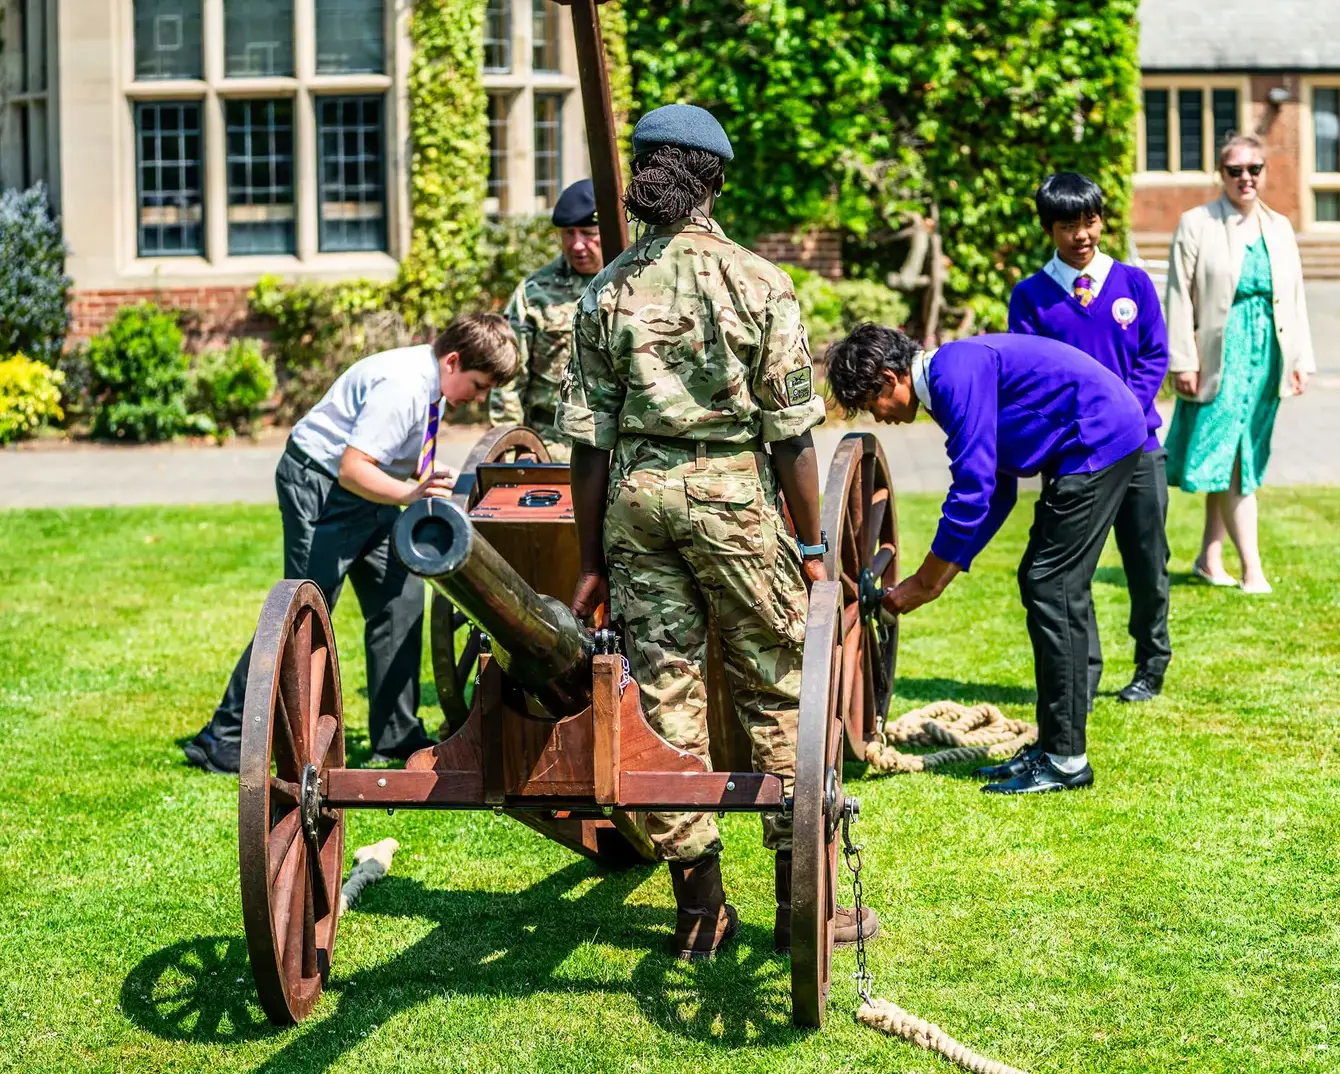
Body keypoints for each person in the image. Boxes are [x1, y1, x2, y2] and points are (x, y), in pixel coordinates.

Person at [558, 104, 878, 961]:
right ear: (715, 178)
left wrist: (589, 560)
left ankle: (699, 909)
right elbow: (789, 435)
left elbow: (587, 443)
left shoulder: (605, 289)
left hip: (637, 503)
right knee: (777, 682)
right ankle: (797, 902)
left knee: (663, 699)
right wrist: (813, 551)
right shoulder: (760, 282)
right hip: (733, 500)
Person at [183, 316, 519, 775]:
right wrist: (409, 495)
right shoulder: (402, 388)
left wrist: (415, 481)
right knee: (302, 615)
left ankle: (395, 734)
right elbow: (352, 467)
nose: (477, 399)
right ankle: (221, 738)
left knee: (399, 598)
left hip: (367, 494)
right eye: (478, 386)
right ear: (453, 360)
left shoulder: (428, 385)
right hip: (324, 490)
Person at [826, 326, 1148, 794]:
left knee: (1052, 586)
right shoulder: (952, 376)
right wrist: (942, 575)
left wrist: (924, 584)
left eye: (870, 402)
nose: (877, 416)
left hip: (1097, 438)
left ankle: (1066, 760)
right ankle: (1053, 747)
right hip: (1091, 438)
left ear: (890, 378)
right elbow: (997, 486)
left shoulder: (953, 375)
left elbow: (973, 489)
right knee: (1043, 583)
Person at [1009, 172, 1172, 704]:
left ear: (1101, 220)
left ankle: (1151, 663)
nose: (1081, 234)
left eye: (1090, 220)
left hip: (1140, 451)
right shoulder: (1032, 298)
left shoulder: (1134, 285)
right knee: (1074, 572)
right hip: (1076, 459)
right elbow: (1029, 377)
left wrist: (1123, 413)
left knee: (1147, 561)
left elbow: (1154, 358)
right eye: (1067, 225)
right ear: (1048, 229)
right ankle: (1087, 668)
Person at [1164, 133, 1315, 594]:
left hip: (1267, 354)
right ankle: (1253, 569)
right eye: (1235, 170)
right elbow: (1178, 297)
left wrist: (1299, 359)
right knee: (1235, 459)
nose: (1245, 178)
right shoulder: (1196, 224)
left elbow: (1294, 298)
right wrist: (1182, 361)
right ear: (1220, 174)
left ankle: (1210, 557)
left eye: (1254, 169)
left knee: (1240, 451)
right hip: (1218, 357)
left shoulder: (1280, 227)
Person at [489, 179, 607, 461]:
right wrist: (509, 452)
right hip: (550, 446)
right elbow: (508, 377)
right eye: (568, 233)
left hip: (622, 449)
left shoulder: (637, 281)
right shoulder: (535, 292)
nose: (577, 245)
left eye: (588, 233)